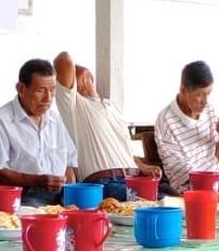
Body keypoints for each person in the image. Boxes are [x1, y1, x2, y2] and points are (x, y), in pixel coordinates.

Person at [50, 52, 160, 200]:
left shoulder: (112, 108)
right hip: (106, 182)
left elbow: (124, 151)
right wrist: (73, 77)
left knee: (175, 197)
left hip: (134, 177)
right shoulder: (74, 107)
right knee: (161, 203)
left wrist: (143, 167)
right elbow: (63, 60)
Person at [0, 59, 79, 205]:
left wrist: (70, 194)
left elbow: (69, 163)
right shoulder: (1, 119)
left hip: (60, 193)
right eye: (40, 91)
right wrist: (38, 181)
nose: (48, 98)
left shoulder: (54, 118)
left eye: (52, 90)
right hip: (24, 195)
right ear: (21, 89)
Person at [155, 60, 219, 191]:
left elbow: (216, 161)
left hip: (216, 180)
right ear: (183, 90)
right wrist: (213, 183)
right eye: (199, 94)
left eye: (208, 93)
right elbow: (179, 172)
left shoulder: (209, 110)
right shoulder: (166, 120)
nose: (205, 101)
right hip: (190, 188)